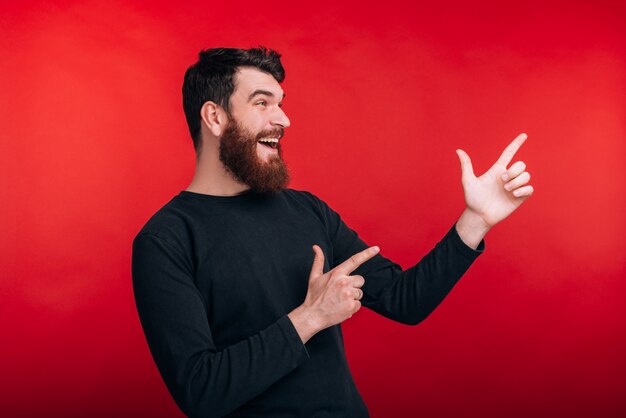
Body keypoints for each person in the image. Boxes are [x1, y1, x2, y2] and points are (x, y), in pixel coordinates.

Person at [131, 47, 533, 418]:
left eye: (282, 104)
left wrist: (475, 220)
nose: (283, 119)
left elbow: (406, 301)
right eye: (262, 103)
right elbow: (202, 391)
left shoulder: (308, 210)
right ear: (215, 118)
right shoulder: (165, 242)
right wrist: (311, 318)